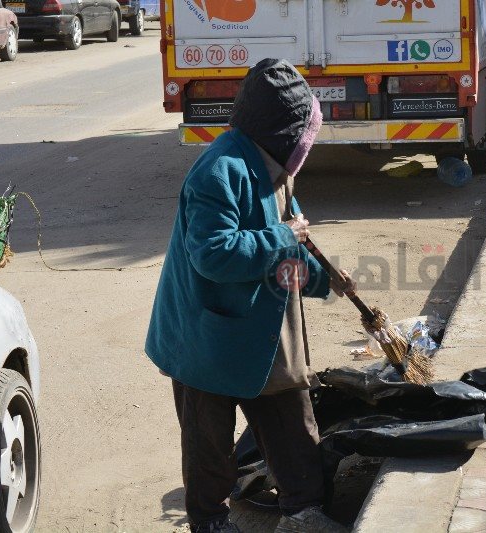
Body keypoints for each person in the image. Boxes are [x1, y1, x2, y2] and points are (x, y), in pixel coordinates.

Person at [145, 58, 355, 533]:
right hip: (208, 337)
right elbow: (213, 255)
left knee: (292, 425)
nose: (309, 146)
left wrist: (326, 279)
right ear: (285, 133)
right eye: (307, 135)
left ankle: (303, 513)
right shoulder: (217, 172)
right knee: (209, 446)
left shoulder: (277, 170)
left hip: (263, 332)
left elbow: (290, 247)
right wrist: (282, 235)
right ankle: (209, 521)